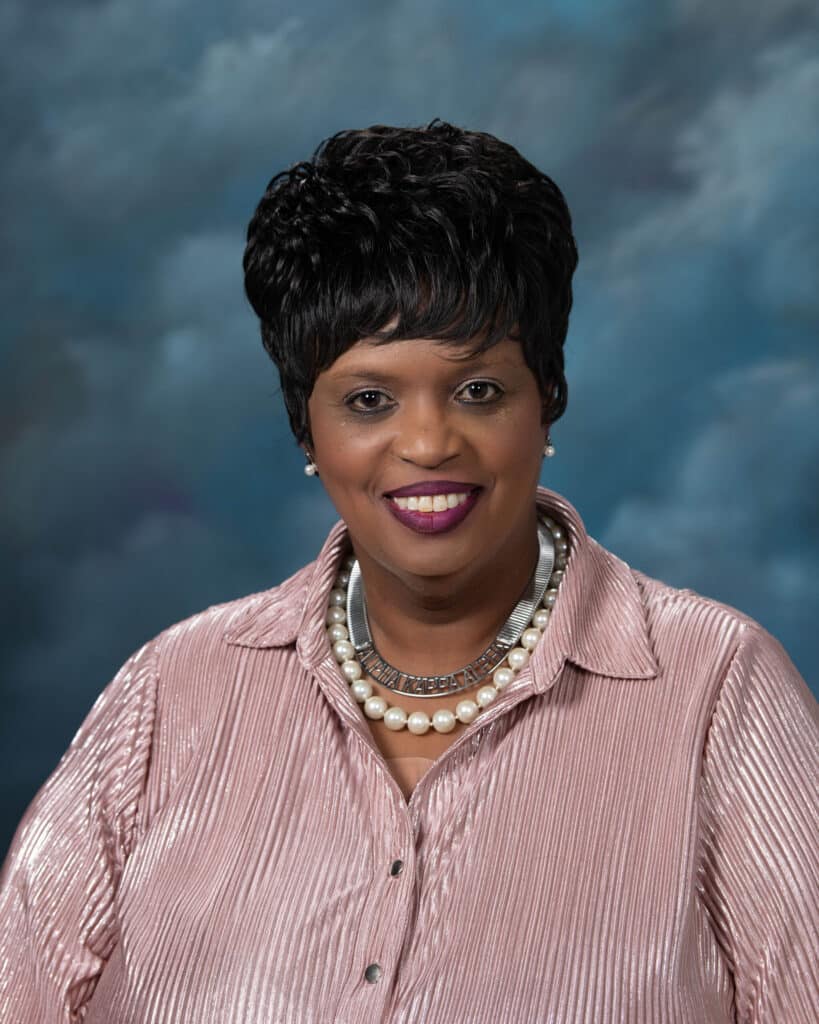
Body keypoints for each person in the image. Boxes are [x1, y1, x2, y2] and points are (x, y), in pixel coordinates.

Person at [1, 119, 817, 1023]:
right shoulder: (170, 694)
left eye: (478, 390)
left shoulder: (717, 690)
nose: (428, 443)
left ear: (546, 400)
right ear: (306, 430)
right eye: (368, 400)